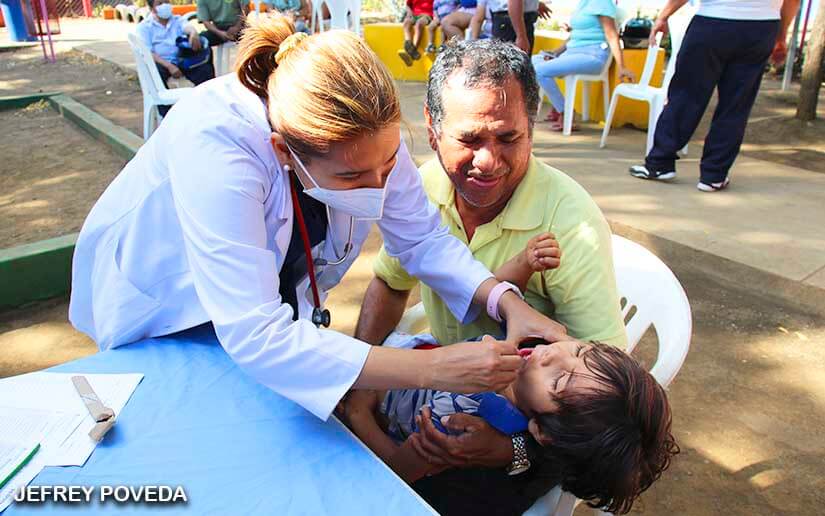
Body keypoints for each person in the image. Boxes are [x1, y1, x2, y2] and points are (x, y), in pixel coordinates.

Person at [69, 15, 567, 424]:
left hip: (256, 315)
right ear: (284, 152)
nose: (378, 186)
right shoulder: (217, 145)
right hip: (164, 306)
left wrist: (505, 302)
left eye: (388, 165)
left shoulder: (369, 137)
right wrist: (431, 368)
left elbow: (423, 240)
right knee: (181, 417)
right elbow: (257, 333)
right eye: (353, 177)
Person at [355, 38, 627, 513]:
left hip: (525, 440)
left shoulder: (571, 225)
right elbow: (390, 284)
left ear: (532, 129)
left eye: (508, 138)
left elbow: (601, 398)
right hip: (434, 384)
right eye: (469, 140)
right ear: (433, 129)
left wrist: (511, 450)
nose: (489, 161)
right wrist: (359, 378)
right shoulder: (423, 187)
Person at [338, 339, 679, 515]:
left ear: (542, 433)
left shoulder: (462, 430)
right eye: (579, 350)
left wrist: (359, 416)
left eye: (559, 381)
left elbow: (395, 475)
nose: (552, 353)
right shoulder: (543, 385)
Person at [629, 0, 800, 191]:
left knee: (686, 94)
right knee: (736, 104)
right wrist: (781, 34)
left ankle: (660, 163)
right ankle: (714, 175)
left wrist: (664, 16)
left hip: (712, 21)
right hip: (761, 27)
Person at [531, 0, 635, 132]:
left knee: (540, 70)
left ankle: (565, 112)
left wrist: (621, 66)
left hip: (592, 55)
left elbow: (611, 35)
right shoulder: (584, 3)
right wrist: (555, 53)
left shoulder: (602, 2)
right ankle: (559, 107)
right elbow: (575, 35)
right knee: (532, 61)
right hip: (572, 53)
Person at [136, 0, 216, 115]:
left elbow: (187, 27)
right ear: (152, 8)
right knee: (155, 74)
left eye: (166, 1)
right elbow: (147, 52)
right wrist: (169, 66)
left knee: (204, 67)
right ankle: (166, 115)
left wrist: (193, 33)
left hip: (181, 59)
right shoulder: (144, 27)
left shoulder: (177, 20)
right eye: (160, 3)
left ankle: (208, 107)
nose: (165, 5)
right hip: (162, 63)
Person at [397, 0, 434, 66]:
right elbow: (408, 5)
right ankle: (409, 46)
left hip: (427, 14)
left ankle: (412, 50)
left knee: (419, 24)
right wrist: (409, 12)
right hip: (415, 15)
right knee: (406, 22)